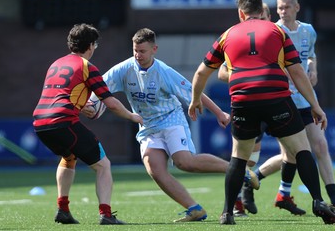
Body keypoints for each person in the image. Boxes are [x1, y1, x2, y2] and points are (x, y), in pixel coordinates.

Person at [189, 0, 335, 225]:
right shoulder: (277, 32)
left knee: (239, 157)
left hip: (243, 100)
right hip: (276, 97)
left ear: (241, 13)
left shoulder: (227, 34)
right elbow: (297, 71)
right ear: (263, 10)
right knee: (301, 149)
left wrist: (195, 99)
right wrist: (315, 105)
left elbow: (201, 73)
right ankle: (318, 200)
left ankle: (227, 212)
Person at [83, 27, 259, 223]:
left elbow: (195, 91)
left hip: (171, 119)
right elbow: (99, 87)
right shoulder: (123, 69)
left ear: (154, 49)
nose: (137, 55)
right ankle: (195, 209)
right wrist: (90, 104)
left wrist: (218, 113)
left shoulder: (164, 72)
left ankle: (238, 170)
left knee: (184, 162)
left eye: (142, 51)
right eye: (135, 50)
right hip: (148, 126)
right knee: (154, 169)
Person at [240, 0, 335, 217]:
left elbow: (310, 55)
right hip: (281, 99)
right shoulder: (273, 32)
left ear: (297, 8)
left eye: (287, 7)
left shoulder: (307, 31)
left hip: (305, 97)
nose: (283, 11)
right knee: (292, 154)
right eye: (280, 8)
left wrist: (313, 67)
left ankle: (333, 201)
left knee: (318, 147)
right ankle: (255, 183)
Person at [32, 23, 143, 225]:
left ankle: (63, 210)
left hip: (40, 122)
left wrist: (82, 107)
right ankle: (106, 215)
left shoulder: (56, 64)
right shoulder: (87, 67)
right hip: (63, 121)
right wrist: (132, 116)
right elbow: (111, 103)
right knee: (103, 165)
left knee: (69, 157)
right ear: (90, 45)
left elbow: (59, 94)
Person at [217, 2, 271, 217]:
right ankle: (237, 202)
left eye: (265, 16)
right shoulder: (238, 38)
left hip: (278, 101)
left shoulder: (277, 36)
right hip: (249, 102)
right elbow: (220, 71)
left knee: (295, 152)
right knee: (243, 158)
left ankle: (278, 193)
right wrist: (245, 76)